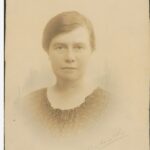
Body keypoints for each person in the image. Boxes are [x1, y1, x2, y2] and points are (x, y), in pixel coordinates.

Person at [20, 11, 109, 135]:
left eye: (78, 47)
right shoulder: (26, 107)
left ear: (91, 51)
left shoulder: (112, 107)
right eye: (60, 47)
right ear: (48, 52)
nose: (70, 57)